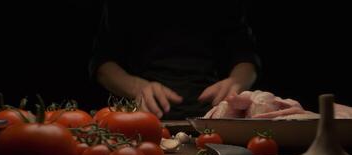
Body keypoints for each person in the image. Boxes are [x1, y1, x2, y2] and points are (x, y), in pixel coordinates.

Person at [89, 1, 260, 120]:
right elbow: (103, 64)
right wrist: (137, 88)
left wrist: (236, 82)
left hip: (212, 115)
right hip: (142, 115)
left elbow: (246, 56)